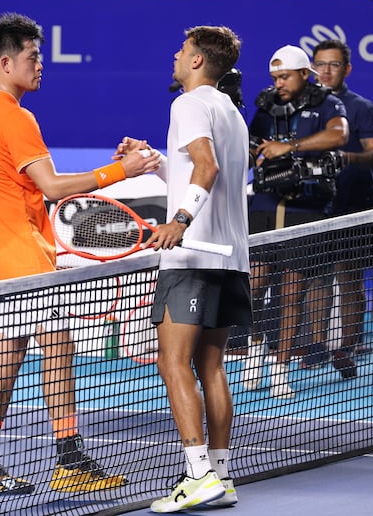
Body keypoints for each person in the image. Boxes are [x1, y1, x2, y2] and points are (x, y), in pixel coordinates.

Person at [0, 12, 160, 495]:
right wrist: (122, 172)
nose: (40, 65)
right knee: (58, 347)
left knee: (8, 353)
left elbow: (30, 186)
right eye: (32, 57)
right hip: (22, 257)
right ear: (6, 63)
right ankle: (69, 460)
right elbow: (51, 187)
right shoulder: (15, 115)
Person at [121, 26, 251, 512]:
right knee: (210, 364)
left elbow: (206, 167)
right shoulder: (230, 112)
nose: (175, 57)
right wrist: (158, 163)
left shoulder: (188, 103)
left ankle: (197, 476)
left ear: (197, 61)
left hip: (193, 256)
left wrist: (179, 219)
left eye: (181, 51)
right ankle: (220, 474)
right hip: (231, 258)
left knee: (171, 362)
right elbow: (201, 171)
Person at [244, 44, 349, 398]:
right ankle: (256, 346)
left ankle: (280, 367)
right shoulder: (264, 106)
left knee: (292, 290)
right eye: (274, 77)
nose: (279, 83)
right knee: (253, 285)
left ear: (306, 74)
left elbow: (339, 135)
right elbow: (248, 146)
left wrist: (289, 147)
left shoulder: (327, 104)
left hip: (305, 209)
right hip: (263, 204)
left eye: (285, 76)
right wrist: (249, 151)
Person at [311, 39, 373, 361]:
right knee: (315, 275)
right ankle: (316, 347)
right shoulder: (303, 107)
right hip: (314, 206)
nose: (326, 71)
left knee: (349, 274)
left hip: (354, 205)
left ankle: (349, 344)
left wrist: (345, 158)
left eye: (334, 64)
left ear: (347, 69)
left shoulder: (363, 108)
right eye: (321, 64)